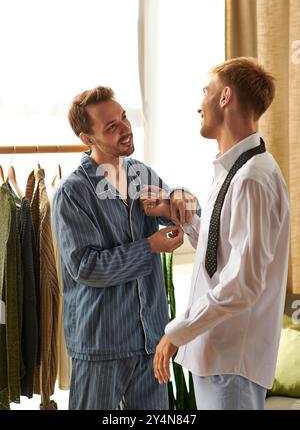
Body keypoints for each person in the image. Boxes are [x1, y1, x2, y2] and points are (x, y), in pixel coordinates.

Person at [147, 57, 290, 410]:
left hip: (232, 361)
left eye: (205, 92)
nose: (200, 104)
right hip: (218, 358)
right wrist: (182, 217)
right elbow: (220, 250)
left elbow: (242, 283)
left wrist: (175, 332)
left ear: (225, 96)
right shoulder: (234, 170)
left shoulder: (252, 178)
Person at [52, 85, 198, 410]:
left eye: (124, 117)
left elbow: (193, 212)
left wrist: (179, 197)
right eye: (111, 126)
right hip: (101, 345)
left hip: (151, 342)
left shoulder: (140, 174)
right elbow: (86, 267)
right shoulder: (72, 194)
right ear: (86, 138)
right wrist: (149, 247)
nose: (126, 129)